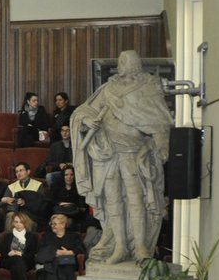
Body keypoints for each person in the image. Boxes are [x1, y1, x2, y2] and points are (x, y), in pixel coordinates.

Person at [71, 49, 173, 263]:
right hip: (107, 154)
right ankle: (120, 246)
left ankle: (141, 247)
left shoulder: (148, 87)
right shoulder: (108, 88)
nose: (123, 63)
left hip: (132, 153)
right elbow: (82, 111)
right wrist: (88, 121)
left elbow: (160, 121)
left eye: (127, 60)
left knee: (136, 200)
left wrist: (156, 146)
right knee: (113, 202)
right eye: (121, 60)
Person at [34, 213, 85, 280]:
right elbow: (40, 250)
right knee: (49, 269)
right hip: (51, 261)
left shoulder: (73, 236)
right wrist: (54, 252)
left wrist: (69, 252)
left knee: (68, 271)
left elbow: (81, 249)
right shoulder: (47, 236)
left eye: (55, 224)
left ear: (63, 224)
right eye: (52, 224)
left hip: (67, 262)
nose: (53, 226)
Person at [0, 209, 38, 280]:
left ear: (25, 223)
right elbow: (2, 252)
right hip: (8, 261)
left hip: (26, 262)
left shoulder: (31, 236)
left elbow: (32, 254)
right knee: (16, 260)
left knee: (17, 266)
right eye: (16, 222)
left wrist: (21, 254)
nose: (18, 224)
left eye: (21, 222)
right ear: (12, 223)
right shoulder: (8, 236)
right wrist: (9, 253)